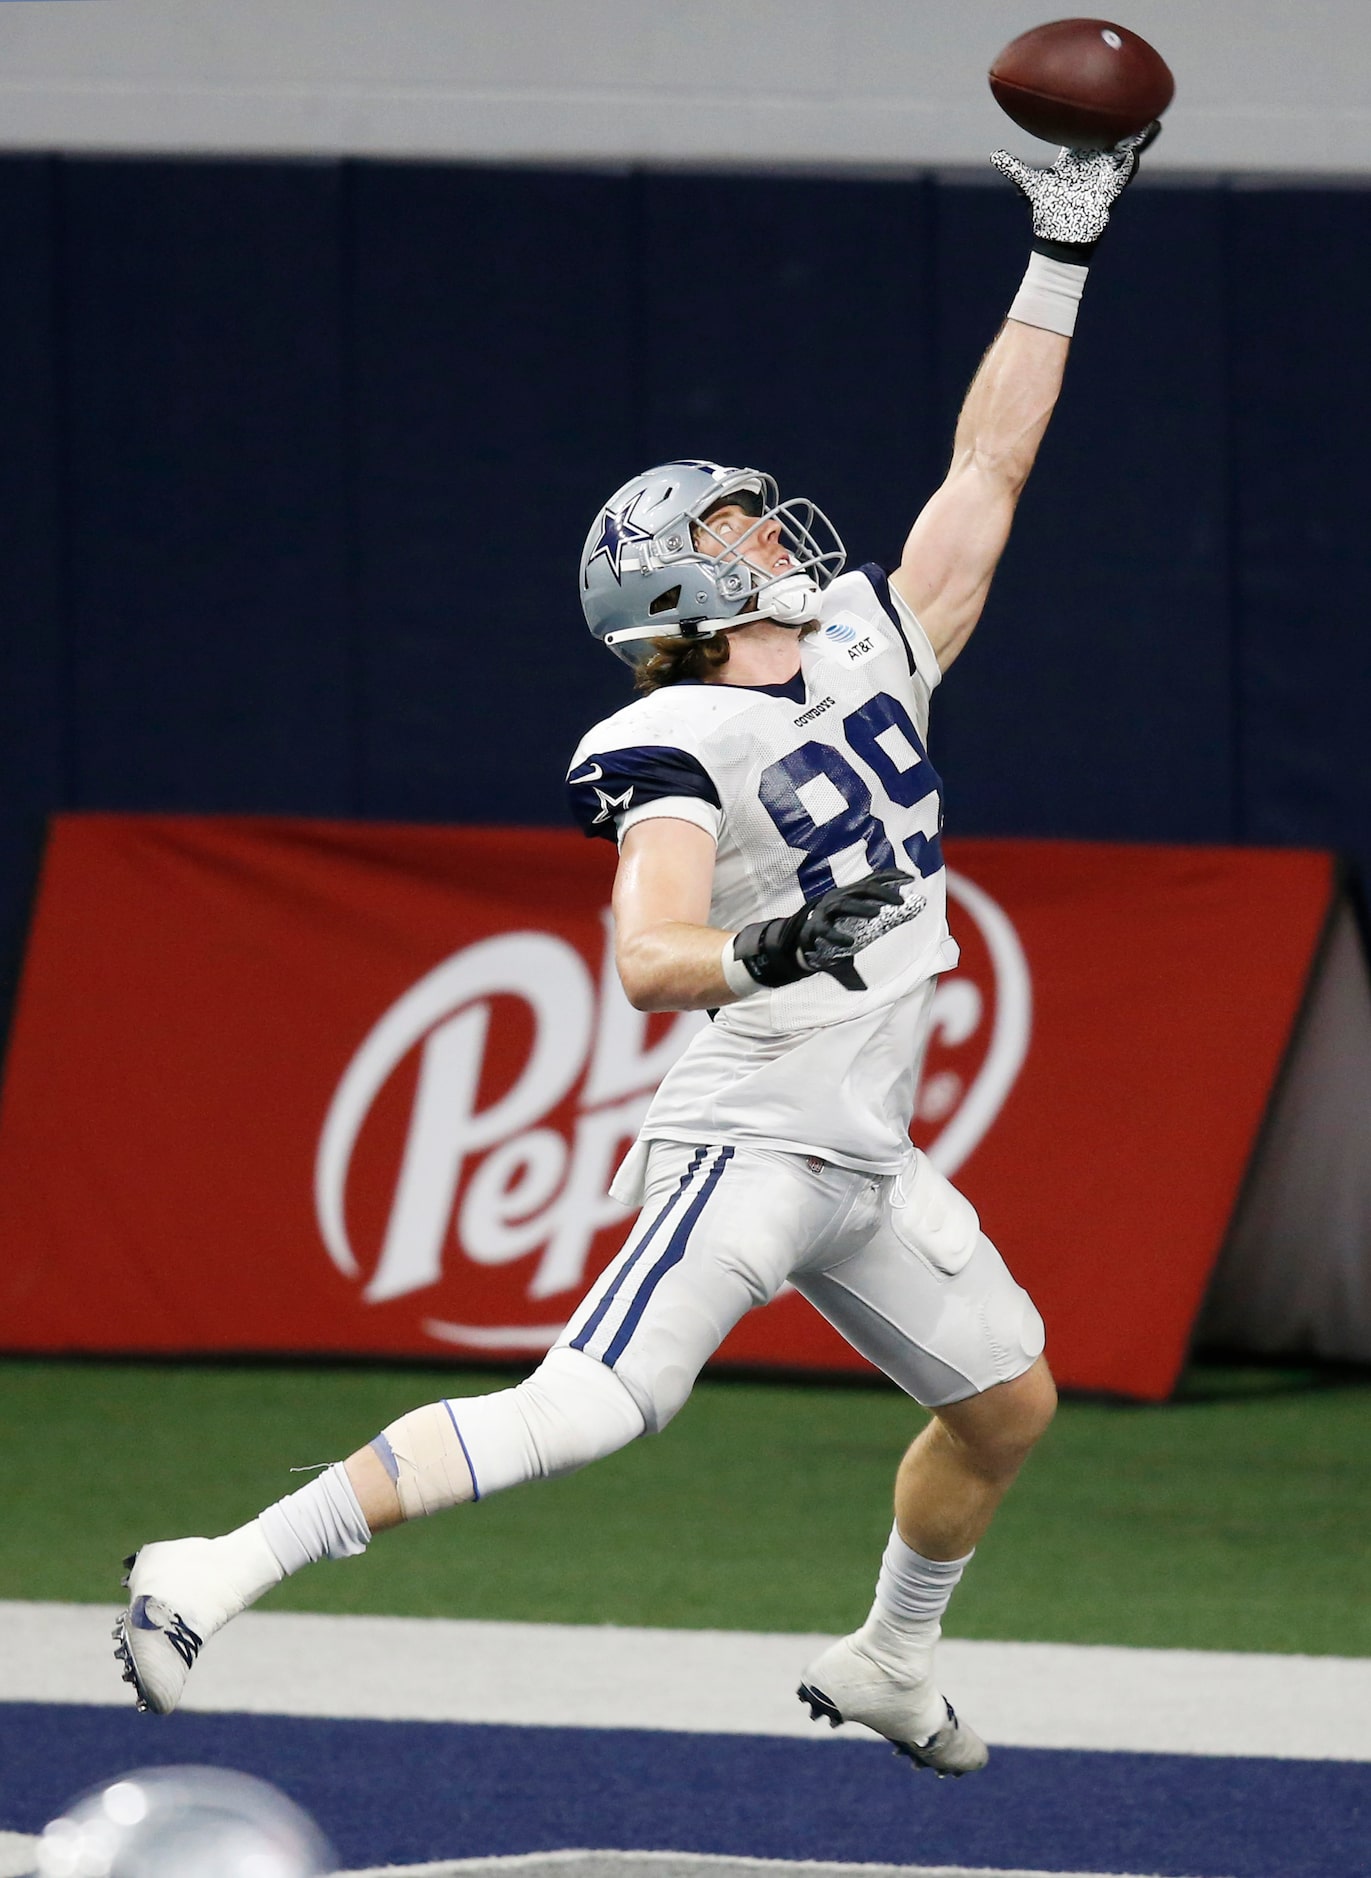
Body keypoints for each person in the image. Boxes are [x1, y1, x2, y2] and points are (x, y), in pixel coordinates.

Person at [115, 127, 1155, 1776]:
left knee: (1007, 1403)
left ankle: (891, 1656)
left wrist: (1065, 249)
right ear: (675, 585)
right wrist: (788, 938)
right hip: (746, 1134)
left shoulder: (870, 645)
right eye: (736, 531)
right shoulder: (668, 728)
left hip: (864, 1153)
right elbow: (652, 956)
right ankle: (217, 1564)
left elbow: (990, 468)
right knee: (589, 1407)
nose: (771, 535)